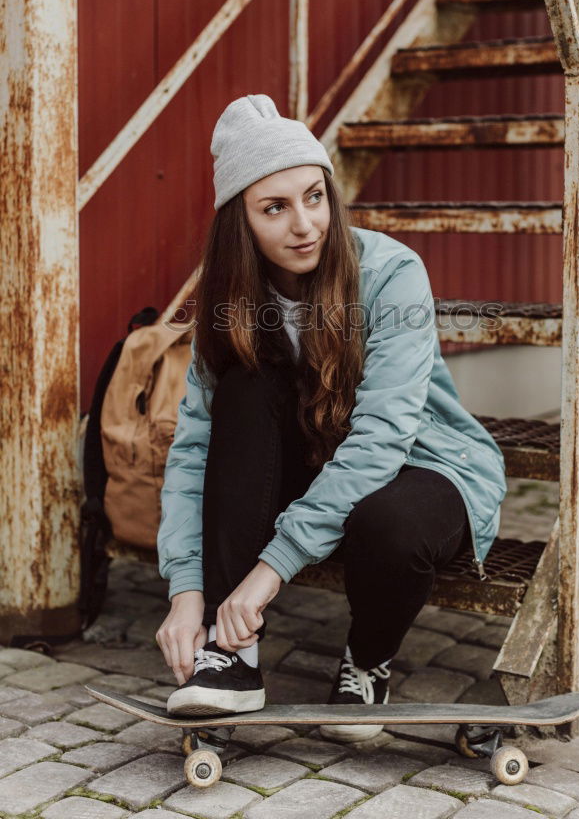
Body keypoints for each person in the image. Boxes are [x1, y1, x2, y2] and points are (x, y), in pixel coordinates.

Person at [155, 93, 507, 743]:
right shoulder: (232, 301)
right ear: (241, 223)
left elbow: (380, 441)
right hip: (312, 465)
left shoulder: (390, 273)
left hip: (422, 467)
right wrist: (186, 594)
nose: (304, 224)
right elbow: (195, 450)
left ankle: (368, 663)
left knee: (390, 519)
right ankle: (231, 657)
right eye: (275, 208)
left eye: (314, 196)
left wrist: (265, 576)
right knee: (243, 390)